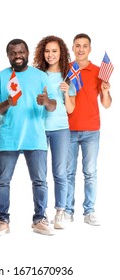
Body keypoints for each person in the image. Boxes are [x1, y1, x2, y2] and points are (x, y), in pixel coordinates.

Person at [0, 38, 57, 236]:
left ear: (27, 53)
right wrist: (7, 103)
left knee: (39, 181)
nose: (17, 56)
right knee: (2, 181)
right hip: (8, 137)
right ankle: (3, 220)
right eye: (13, 53)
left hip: (35, 137)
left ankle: (39, 219)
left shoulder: (40, 76)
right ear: (8, 55)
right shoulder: (0, 78)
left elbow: (53, 106)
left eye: (21, 52)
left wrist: (45, 101)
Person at [65, 33, 112, 226]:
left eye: (85, 46)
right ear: (73, 48)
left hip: (92, 129)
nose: (81, 49)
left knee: (90, 172)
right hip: (67, 129)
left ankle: (89, 211)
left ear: (90, 49)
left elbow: (107, 104)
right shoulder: (66, 70)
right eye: (77, 46)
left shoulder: (99, 71)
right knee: (67, 172)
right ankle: (67, 210)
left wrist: (106, 91)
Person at [33, 35, 76, 229]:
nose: (50, 55)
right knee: (40, 175)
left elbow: (70, 109)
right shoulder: (37, 75)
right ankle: (40, 214)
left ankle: (60, 211)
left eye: (54, 51)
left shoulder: (68, 76)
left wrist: (66, 92)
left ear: (61, 53)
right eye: (47, 51)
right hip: (40, 129)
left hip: (60, 129)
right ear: (43, 53)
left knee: (60, 172)